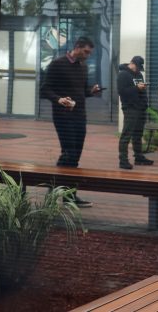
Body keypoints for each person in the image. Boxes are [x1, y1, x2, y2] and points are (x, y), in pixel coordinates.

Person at [39, 36, 101, 207]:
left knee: (74, 156)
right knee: (69, 153)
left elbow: (82, 91)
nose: (88, 56)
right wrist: (59, 99)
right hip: (63, 117)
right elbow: (44, 89)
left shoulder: (82, 66)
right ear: (78, 47)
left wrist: (91, 91)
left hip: (80, 116)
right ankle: (62, 194)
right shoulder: (57, 64)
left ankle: (66, 196)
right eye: (86, 52)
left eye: (90, 53)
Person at [117, 55, 154, 169]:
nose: (138, 70)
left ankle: (139, 157)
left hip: (140, 108)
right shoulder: (123, 74)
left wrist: (144, 104)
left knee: (138, 135)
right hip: (130, 108)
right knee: (126, 134)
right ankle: (123, 160)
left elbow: (142, 92)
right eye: (137, 67)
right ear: (132, 63)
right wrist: (137, 88)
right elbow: (122, 92)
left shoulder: (139, 74)